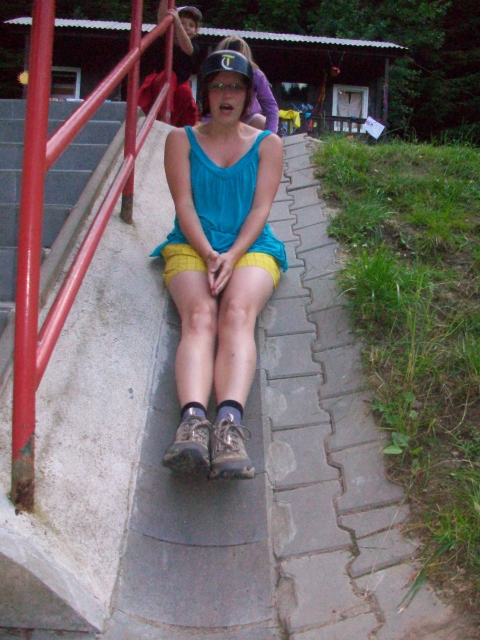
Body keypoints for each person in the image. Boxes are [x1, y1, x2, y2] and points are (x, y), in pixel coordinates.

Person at [151, 50, 287, 480]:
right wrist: (210, 253)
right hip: (193, 243)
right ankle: (192, 423)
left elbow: (261, 208)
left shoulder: (269, 144)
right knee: (199, 315)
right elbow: (184, 204)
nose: (226, 95)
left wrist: (231, 255)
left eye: (235, 87)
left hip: (251, 245)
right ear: (205, 93)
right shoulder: (180, 140)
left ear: (248, 95)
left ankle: (228, 426)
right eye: (217, 86)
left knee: (237, 312)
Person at [139, 2, 201, 126]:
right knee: (169, 77)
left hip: (178, 90)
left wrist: (177, 21)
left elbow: (187, 49)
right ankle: (163, 117)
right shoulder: (165, 40)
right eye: (182, 23)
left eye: (191, 25)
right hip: (159, 84)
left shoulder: (193, 47)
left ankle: (171, 123)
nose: (187, 27)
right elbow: (162, 20)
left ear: (196, 31)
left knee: (185, 91)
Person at [215, 36, 279, 134]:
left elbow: (271, 106)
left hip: (247, 118)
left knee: (262, 122)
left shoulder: (255, 75)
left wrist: (270, 134)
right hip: (221, 117)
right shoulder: (215, 75)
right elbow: (209, 106)